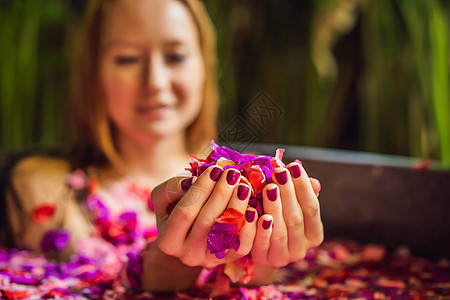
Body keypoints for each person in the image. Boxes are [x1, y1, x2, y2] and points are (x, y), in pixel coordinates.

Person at [4, 0, 323, 294]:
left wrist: (259, 267)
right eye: (127, 58)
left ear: (205, 67)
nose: (155, 81)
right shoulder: (47, 187)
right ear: (94, 73)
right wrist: (158, 270)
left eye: (176, 56)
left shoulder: (253, 193)